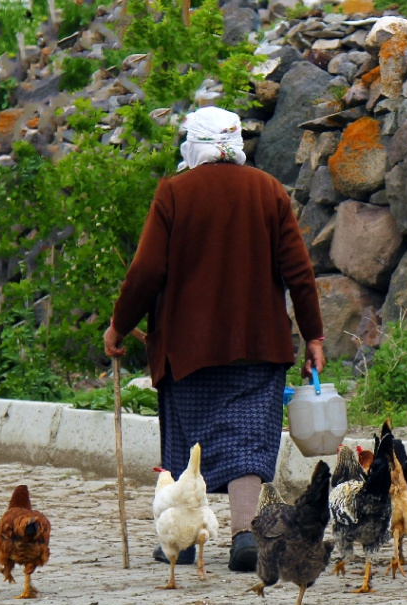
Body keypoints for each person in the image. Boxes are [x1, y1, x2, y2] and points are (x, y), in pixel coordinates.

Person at [103, 106, 325, 573]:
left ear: (194, 142)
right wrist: (314, 337)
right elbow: (299, 272)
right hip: (258, 346)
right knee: (247, 441)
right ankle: (245, 534)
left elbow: (145, 271)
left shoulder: (175, 193)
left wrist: (119, 325)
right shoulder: (268, 190)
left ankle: (182, 542)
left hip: (189, 350)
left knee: (189, 444)